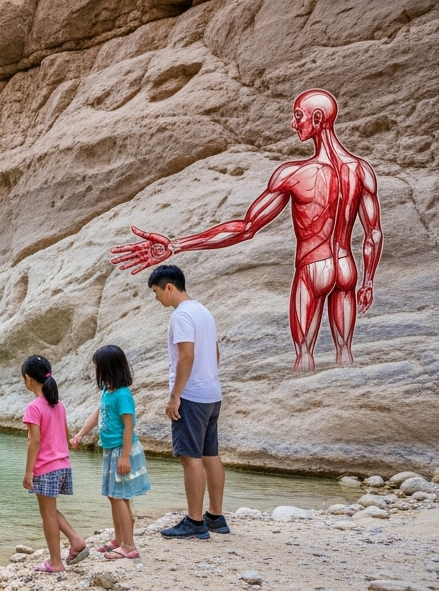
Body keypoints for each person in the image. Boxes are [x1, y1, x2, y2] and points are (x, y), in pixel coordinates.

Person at [110, 89, 382, 371]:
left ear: (317, 119)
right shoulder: (361, 170)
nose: (293, 123)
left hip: (313, 269)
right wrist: (369, 281)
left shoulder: (293, 174)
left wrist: (178, 244)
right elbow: (373, 234)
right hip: (346, 268)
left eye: (298, 116)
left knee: (304, 357)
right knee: (346, 355)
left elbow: (246, 228)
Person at [146, 265, 228, 539]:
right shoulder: (204, 311)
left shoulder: (181, 316)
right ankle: (215, 517)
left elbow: (186, 356)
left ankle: (194, 522)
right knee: (210, 455)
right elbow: (214, 353)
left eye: (156, 292)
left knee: (190, 458)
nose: (156, 299)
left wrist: (175, 396)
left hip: (191, 397)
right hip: (212, 394)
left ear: (169, 287)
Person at [71, 345, 150, 560]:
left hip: (121, 451)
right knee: (112, 495)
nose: (96, 371)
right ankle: (118, 539)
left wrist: (124, 456)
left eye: (97, 367)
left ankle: (129, 546)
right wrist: (80, 434)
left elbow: (129, 426)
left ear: (108, 368)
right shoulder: (108, 390)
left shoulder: (123, 395)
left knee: (119, 496)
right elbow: (97, 415)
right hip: (110, 450)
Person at [20, 355, 88, 572]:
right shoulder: (58, 405)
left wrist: (28, 472)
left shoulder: (33, 407)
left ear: (28, 379)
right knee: (50, 510)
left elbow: (35, 441)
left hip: (46, 467)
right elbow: (64, 433)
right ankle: (76, 541)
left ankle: (56, 562)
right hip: (63, 465)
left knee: (47, 513)